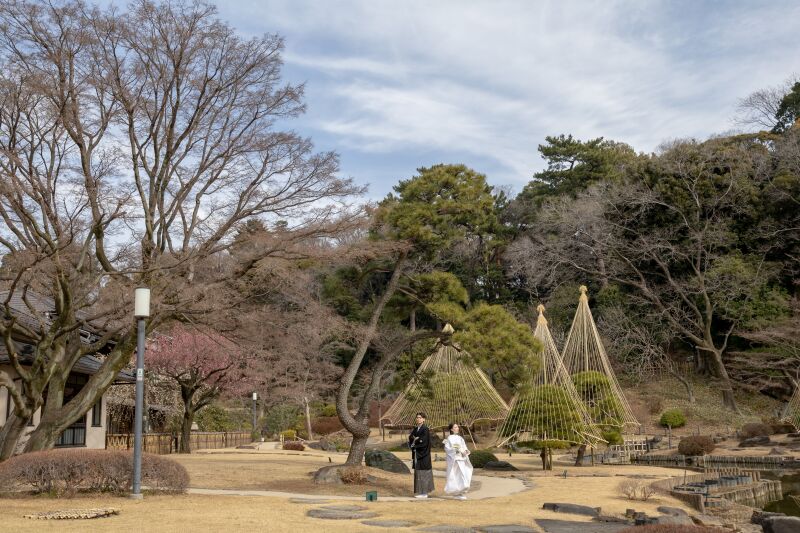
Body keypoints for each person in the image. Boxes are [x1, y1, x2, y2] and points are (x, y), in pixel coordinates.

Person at [443, 422, 473, 499]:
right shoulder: (449, 438)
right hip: (454, 460)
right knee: (454, 475)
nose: (457, 428)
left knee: (463, 475)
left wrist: (465, 451)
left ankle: (461, 491)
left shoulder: (460, 438)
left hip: (461, 459)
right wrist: (455, 450)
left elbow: (464, 446)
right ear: (451, 429)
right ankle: (456, 492)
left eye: (457, 427)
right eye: (455, 427)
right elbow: (447, 449)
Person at [409, 412, 433, 498]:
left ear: (423, 419)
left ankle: (425, 493)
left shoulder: (425, 429)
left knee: (424, 472)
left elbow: (424, 442)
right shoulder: (415, 429)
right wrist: (414, 440)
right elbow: (411, 437)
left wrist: (416, 442)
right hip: (417, 454)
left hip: (423, 454)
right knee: (418, 473)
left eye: (420, 417)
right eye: (417, 417)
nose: (418, 419)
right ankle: (420, 491)